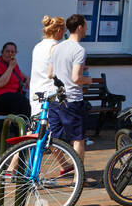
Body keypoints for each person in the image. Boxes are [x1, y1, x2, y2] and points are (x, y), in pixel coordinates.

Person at [49, 14, 92, 172]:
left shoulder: (57, 47)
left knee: (52, 137)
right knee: (78, 139)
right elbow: (76, 78)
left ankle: (65, 164)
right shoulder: (79, 50)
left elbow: (50, 73)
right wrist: (89, 80)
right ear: (79, 27)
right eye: (85, 26)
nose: (86, 29)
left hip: (55, 98)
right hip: (72, 99)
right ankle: (78, 177)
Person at [29, 15, 65, 118]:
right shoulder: (56, 47)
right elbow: (57, 71)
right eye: (64, 30)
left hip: (36, 90)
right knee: (51, 127)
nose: (64, 33)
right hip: (50, 91)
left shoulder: (38, 46)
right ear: (58, 30)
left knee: (36, 123)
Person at [0, 42, 30, 117]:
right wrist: (10, 67)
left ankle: (22, 126)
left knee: (26, 102)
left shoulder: (14, 66)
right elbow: (0, 83)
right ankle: (17, 127)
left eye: (13, 52)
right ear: (2, 53)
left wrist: (27, 79)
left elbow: (21, 76)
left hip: (12, 98)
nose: (10, 54)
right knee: (19, 100)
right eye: (7, 51)